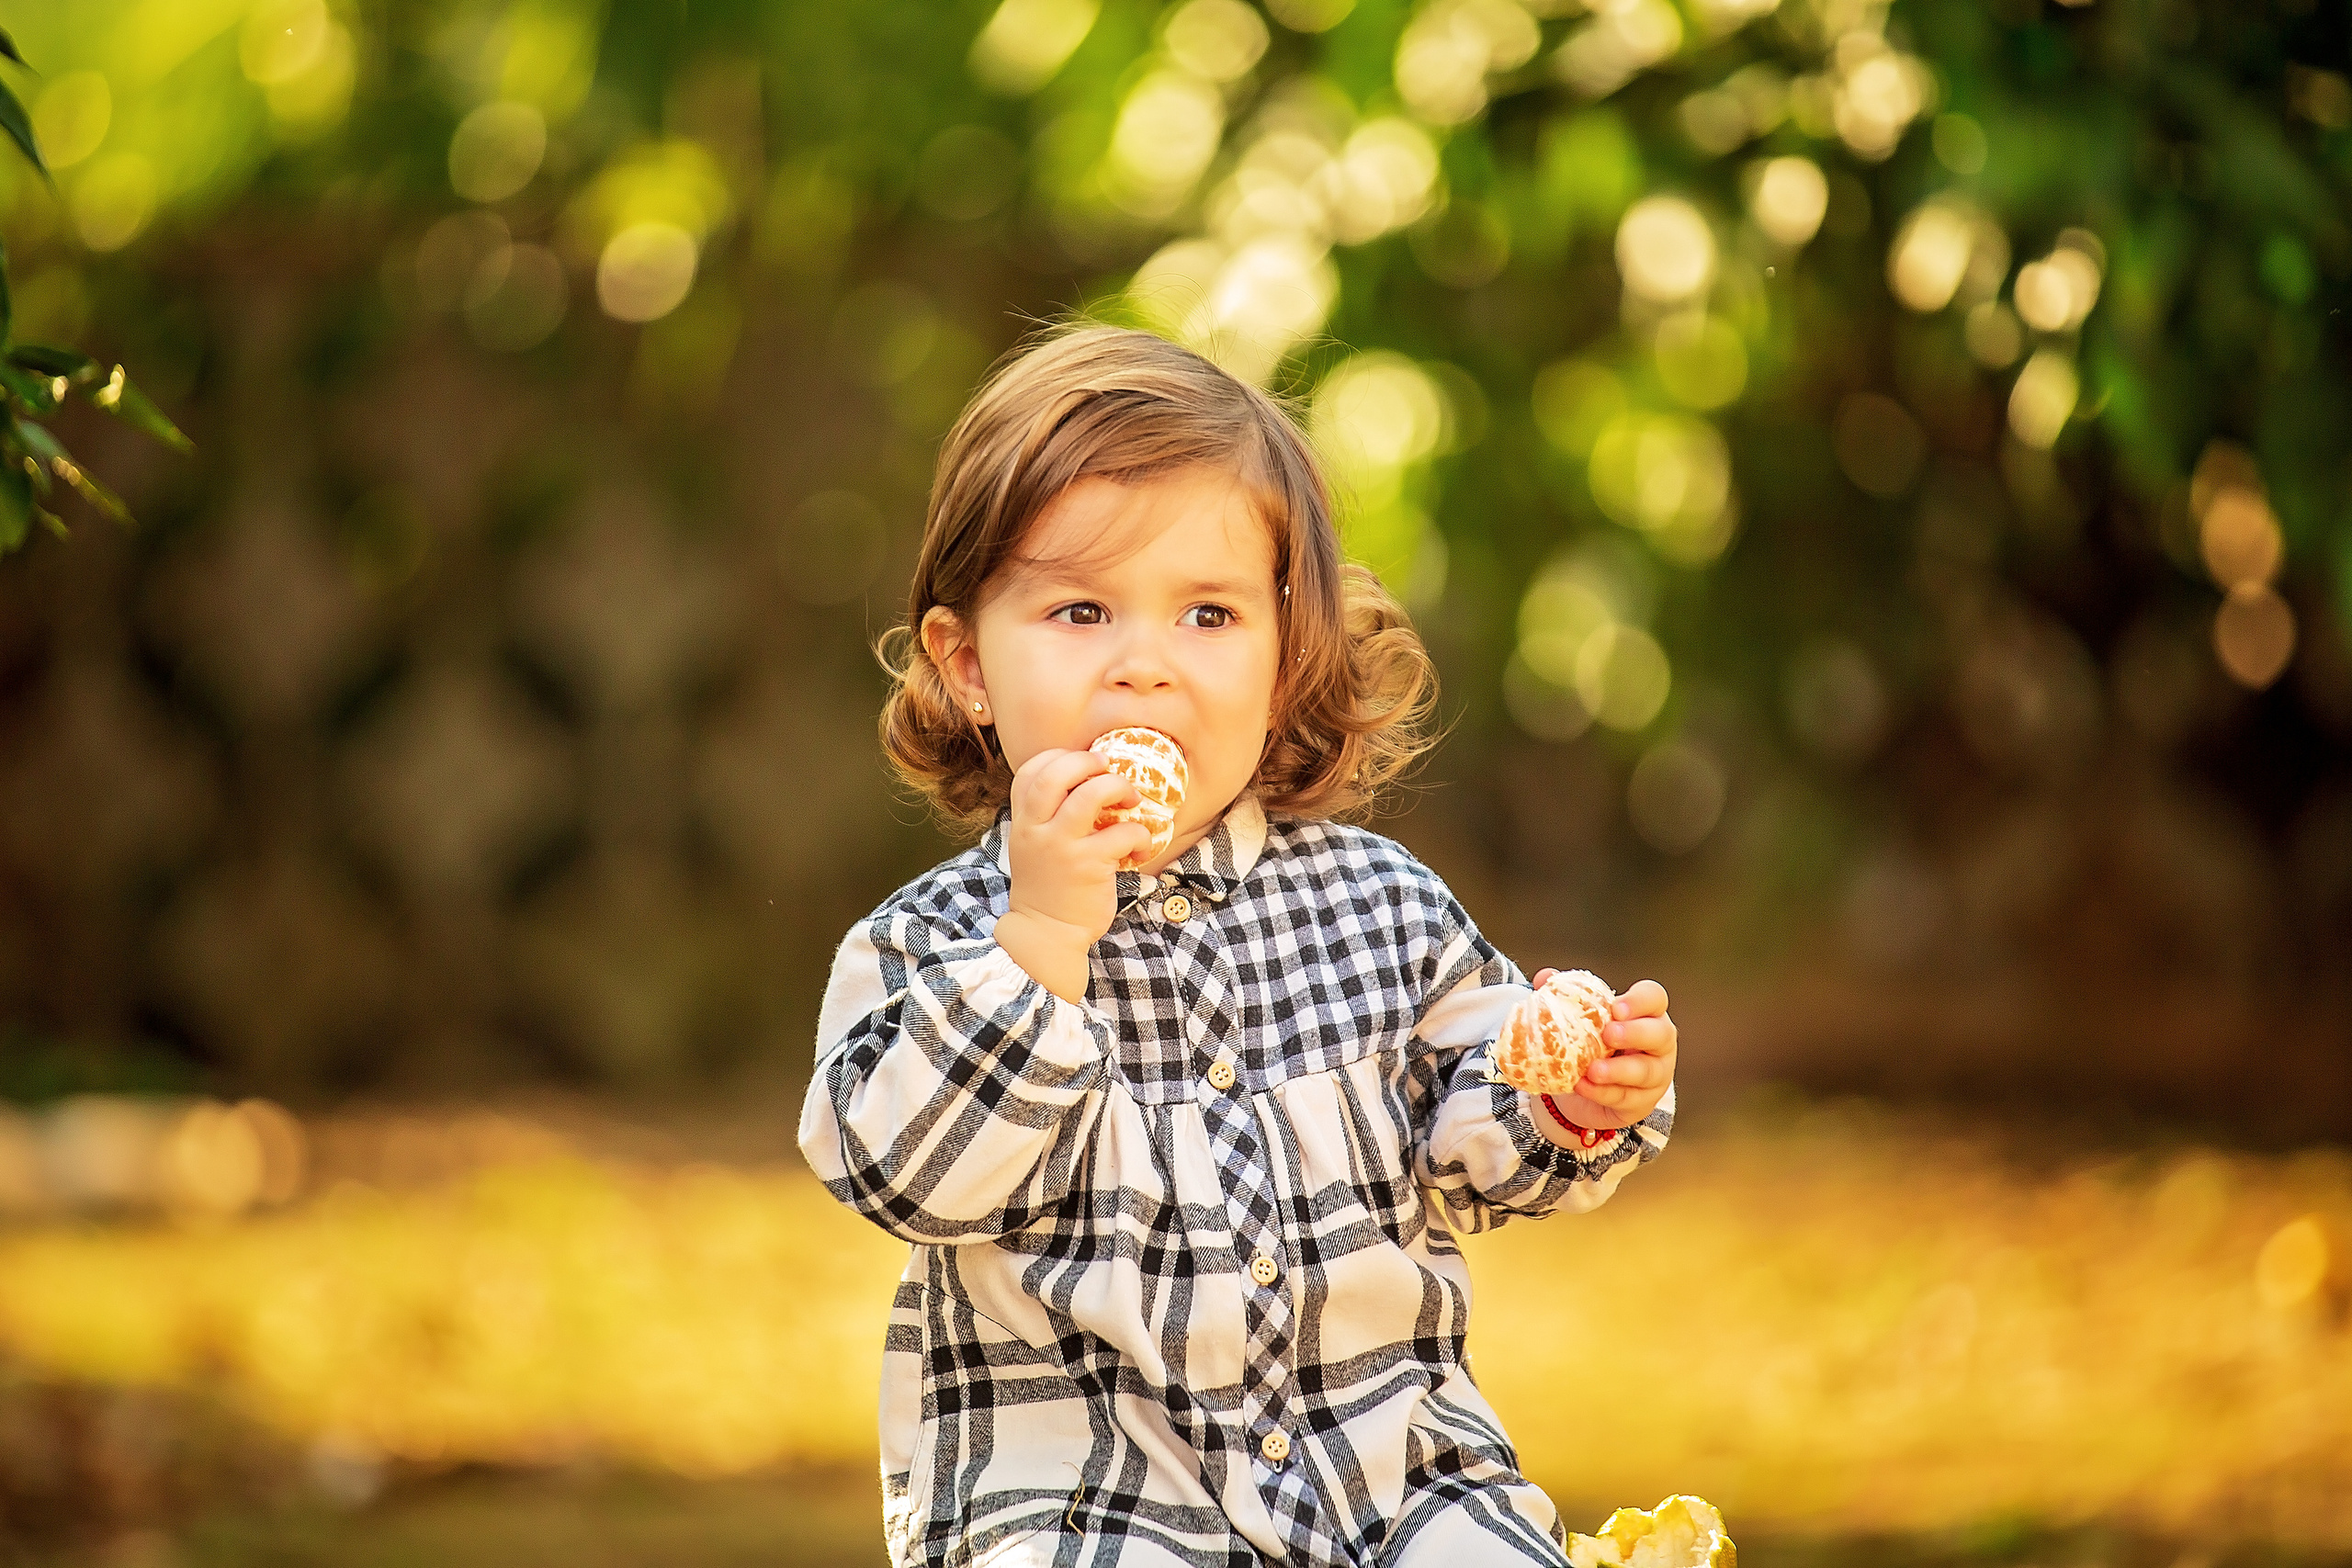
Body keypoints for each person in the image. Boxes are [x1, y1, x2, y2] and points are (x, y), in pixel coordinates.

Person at [797, 323, 1679, 1567]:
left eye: (1208, 615)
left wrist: (1573, 1099)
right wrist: (1044, 934)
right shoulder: (928, 944)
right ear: (969, 666)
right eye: (1082, 610)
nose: (1144, 668)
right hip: (1082, 1505)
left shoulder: (1382, 907)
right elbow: (903, 1178)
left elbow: (1483, 1147)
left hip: (1387, 1475)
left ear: (1285, 657)